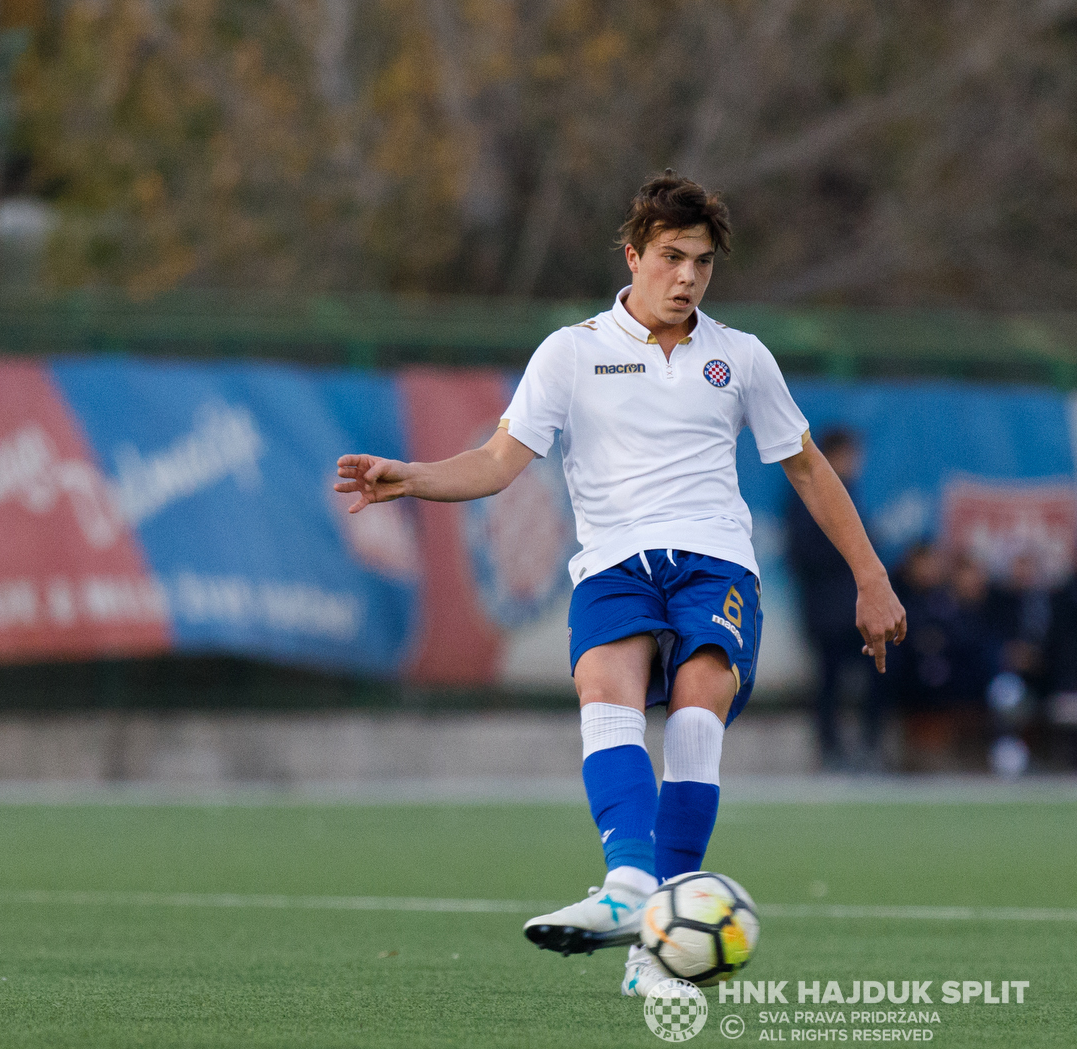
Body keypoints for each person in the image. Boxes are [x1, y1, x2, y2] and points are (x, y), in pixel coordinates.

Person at [334, 171, 905, 997]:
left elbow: (810, 471)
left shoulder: (741, 358)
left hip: (713, 558)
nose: (687, 277)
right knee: (605, 685)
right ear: (634, 255)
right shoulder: (571, 352)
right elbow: (498, 462)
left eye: (702, 263)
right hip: (612, 562)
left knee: (701, 693)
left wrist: (872, 577)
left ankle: (654, 940)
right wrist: (414, 476)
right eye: (672, 257)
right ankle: (633, 887)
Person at [784, 427, 878, 770]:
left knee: (877, 674)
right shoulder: (804, 493)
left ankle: (869, 746)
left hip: (860, 608)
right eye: (848, 455)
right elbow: (801, 553)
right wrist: (849, 548)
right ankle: (830, 751)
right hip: (826, 610)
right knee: (829, 682)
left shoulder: (851, 491)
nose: (855, 462)